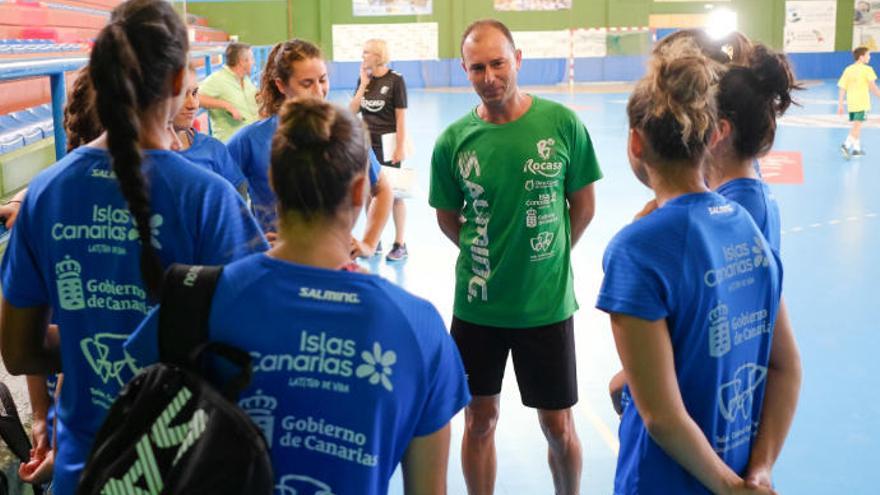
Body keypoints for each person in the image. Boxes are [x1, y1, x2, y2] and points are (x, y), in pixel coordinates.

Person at [126, 97, 471, 494]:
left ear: (273, 181)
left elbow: (120, 419)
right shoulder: (417, 325)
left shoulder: (197, 299)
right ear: (360, 191)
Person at [0, 1, 267, 493]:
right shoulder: (208, 199)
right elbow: (253, 350)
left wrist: (93, 339)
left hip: (88, 468)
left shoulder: (46, 193)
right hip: (187, 465)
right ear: (176, 83)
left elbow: (18, 352)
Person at [596, 39, 797, 495]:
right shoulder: (745, 220)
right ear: (711, 137)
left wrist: (728, 488)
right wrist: (756, 475)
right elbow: (786, 366)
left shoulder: (636, 249)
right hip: (737, 463)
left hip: (661, 481)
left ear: (635, 141)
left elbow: (661, 417)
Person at [429, 19, 602, 495]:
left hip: (545, 307)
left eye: (498, 63)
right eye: (477, 67)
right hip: (478, 306)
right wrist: (489, 255)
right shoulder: (453, 141)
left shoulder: (562, 124)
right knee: (479, 420)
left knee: (558, 426)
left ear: (518, 59)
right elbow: (448, 219)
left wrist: (543, 262)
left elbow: (582, 208)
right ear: (465, 70)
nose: (489, 76)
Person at [228, 39, 392, 255]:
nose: (319, 91)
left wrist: (369, 243)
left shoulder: (344, 131)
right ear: (281, 85)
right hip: (275, 265)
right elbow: (213, 195)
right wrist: (248, 239)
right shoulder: (250, 140)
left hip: (331, 263)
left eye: (323, 80)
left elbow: (382, 188)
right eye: (307, 83)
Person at [350, 39, 410, 261]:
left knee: (394, 194)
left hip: (389, 145)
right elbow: (352, 110)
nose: (362, 56)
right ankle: (372, 240)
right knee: (369, 191)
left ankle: (400, 243)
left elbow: (401, 116)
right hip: (367, 145)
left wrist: (400, 147)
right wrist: (364, 84)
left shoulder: (396, 80)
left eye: (366, 52)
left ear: (377, 55)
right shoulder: (364, 80)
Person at [172, 64, 248, 194]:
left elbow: (238, 195)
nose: (193, 104)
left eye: (195, 93)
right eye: (181, 95)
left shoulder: (214, 150)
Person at [199, 42, 260, 142]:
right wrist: (226, 105)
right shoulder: (218, 79)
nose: (253, 62)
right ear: (242, 61)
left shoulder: (245, 79)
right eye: (251, 59)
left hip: (249, 140)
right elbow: (196, 97)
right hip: (231, 145)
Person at [837, 46, 880, 158]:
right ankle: (846, 145)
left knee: (857, 125)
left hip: (851, 103)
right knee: (857, 126)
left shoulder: (848, 69)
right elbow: (873, 87)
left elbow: (842, 88)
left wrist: (841, 105)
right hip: (862, 102)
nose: (869, 57)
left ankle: (856, 149)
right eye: (868, 55)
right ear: (861, 57)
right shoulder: (867, 69)